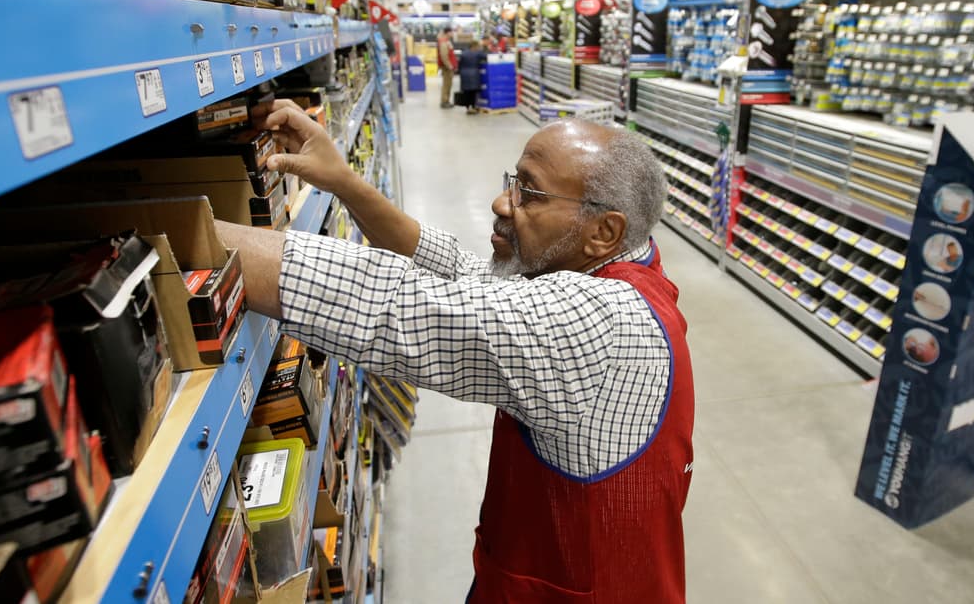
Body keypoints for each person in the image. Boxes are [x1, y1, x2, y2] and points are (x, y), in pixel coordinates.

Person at [216, 102, 694, 603]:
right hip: (528, 573)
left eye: (528, 192)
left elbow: (394, 304)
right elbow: (460, 271)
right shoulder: (620, 265)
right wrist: (344, 182)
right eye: (513, 181)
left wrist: (186, 238)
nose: (502, 203)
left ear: (603, 232)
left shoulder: (596, 323)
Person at [457, 36, 489, 114]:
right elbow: (487, 56)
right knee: (473, 92)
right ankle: (473, 107)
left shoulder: (463, 53)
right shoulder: (478, 53)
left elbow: (459, 65)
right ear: (475, 46)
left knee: (466, 92)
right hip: (474, 74)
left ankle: (468, 108)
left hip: (464, 74)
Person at [436, 27, 457, 108]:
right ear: (447, 33)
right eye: (451, 32)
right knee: (446, 84)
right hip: (447, 67)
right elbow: (444, 56)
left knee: (449, 84)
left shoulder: (447, 41)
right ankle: (444, 101)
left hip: (448, 67)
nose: (452, 34)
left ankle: (446, 100)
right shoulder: (443, 42)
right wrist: (449, 66)